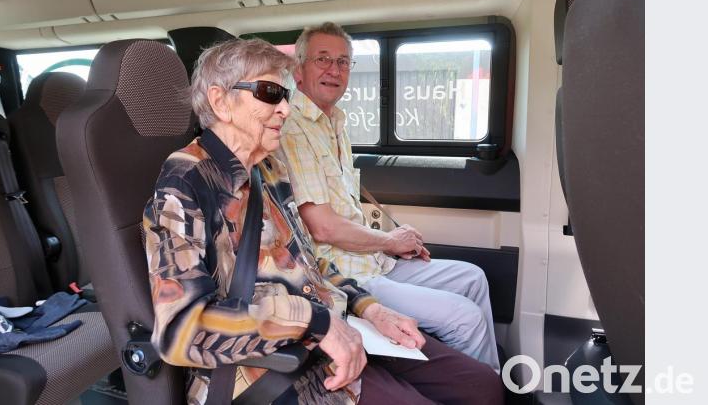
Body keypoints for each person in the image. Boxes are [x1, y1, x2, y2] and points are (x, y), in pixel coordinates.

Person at [143, 38, 502, 404]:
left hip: (330, 333)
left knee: (482, 385)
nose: (284, 108)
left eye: (285, 94)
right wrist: (315, 321)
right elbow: (180, 330)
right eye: (269, 93)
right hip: (269, 370)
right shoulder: (185, 182)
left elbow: (310, 266)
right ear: (220, 101)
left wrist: (370, 307)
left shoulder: (268, 170)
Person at [275, 22, 500, 372]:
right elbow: (323, 228)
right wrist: (390, 240)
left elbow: (346, 209)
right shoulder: (293, 128)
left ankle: (485, 381)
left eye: (344, 61)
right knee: (465, 319)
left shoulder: (334, 122)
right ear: (299, 68)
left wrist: (389, 243)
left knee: (473, 278)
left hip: (373, 261)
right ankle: (480, 387)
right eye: (323, 59)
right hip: (346, 276)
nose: (335, 70)